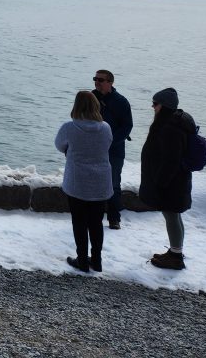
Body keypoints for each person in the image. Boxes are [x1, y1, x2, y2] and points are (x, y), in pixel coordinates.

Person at [54, 90, 113, 273]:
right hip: (101, 181)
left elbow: (59, 145)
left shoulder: (69, 127)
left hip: (77, 181)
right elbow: (108, 144)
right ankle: (96, 260)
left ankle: (81, 259)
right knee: (96, 222)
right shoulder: (106, 128)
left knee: (79, 222)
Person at [139, 87, 196, 270]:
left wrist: (160, 183)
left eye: (155, 104)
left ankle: (176, 257)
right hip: (177, 181)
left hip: (171, 183)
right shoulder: (179, 121)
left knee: (171, 215)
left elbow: (171, 160)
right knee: (174, 215)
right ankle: (175, 251)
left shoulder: (170, 127)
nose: (153, 107)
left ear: (164, 106)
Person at [92, 69, 133, 229]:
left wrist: (109, 141)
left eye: (101, 80)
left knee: (113, 184)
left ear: (110, 82)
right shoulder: (91, 98)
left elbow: (127, 126)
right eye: (95, 79)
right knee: (94, 183)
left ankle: (114, 218)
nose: (97, 82)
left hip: (114, 150)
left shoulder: (121, 101)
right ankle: (94, 216)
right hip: (93, 149)